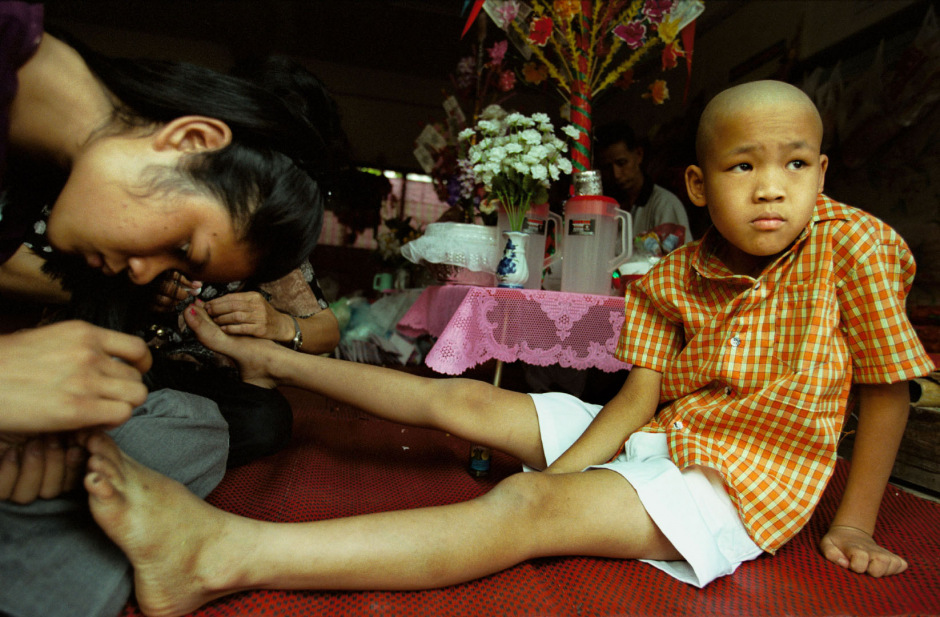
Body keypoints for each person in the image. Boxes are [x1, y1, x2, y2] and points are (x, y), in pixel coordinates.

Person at [79, 79, 933, 617]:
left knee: (523, 511)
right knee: (467, 402)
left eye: (795, 164)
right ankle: (279, 362)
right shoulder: (672, 271)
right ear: (702, 187)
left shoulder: (856, 244)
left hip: (736, 486)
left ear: (823, 172)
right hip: (665, 436)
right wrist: (574, 469)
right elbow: (638, 399)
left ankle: (218, 554)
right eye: (745, 168)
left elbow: (888, 386)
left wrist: (851, 522)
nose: (774, 185)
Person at [0, 4, 340, 616]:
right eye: (185, 245)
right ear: (193, 139)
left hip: (161, 389)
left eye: (180, 265)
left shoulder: (40, 170)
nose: (145, 271)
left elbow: (323, 328)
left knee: (194, 427)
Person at [595, 120, 693, 245]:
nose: (616, 174)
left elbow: (679, 258)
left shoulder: (665, 204)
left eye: (622, 163)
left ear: (639, 155)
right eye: (607, 167)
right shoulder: (606, 206)